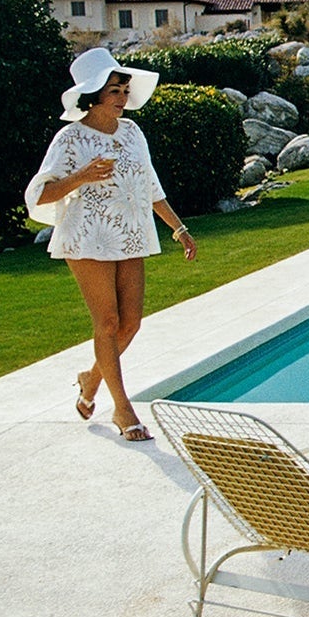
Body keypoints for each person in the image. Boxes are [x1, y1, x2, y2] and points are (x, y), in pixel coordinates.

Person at [26, 47, 198, 442]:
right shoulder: (70, 139)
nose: (122, 97)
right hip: (87, 239)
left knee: (131, 323)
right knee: (106, 323)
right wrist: (82, 176)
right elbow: (41, 195)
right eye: (115, 90)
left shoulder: (134, 133)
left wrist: (179, 228)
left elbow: (151, 187)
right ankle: (122, 409)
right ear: (93, 95)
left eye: (124, 89)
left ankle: (90, 379)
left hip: (131, 236)